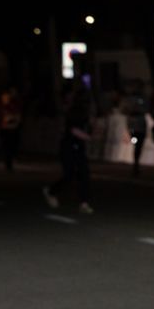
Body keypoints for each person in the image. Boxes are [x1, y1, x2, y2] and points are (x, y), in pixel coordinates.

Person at [42, 81, 94, 213]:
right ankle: (51, 191)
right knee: (70, 175)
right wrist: (88, 137)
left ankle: (84, 202)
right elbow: (73, 130)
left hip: (78, 146)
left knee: (84, 174)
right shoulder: (74, 111)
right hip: (69, 146)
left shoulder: (82, 111)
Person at [0, 87, 22, 173]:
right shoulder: (0, 107)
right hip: (4, 130)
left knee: (11, 146)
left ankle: (10, 162)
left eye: (7, 97)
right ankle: (7, 163)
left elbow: (18, 117)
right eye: (4, 97)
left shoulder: (13, 106)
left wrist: (13, 120)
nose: (5, 99)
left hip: (12, 129)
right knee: (5, 146)